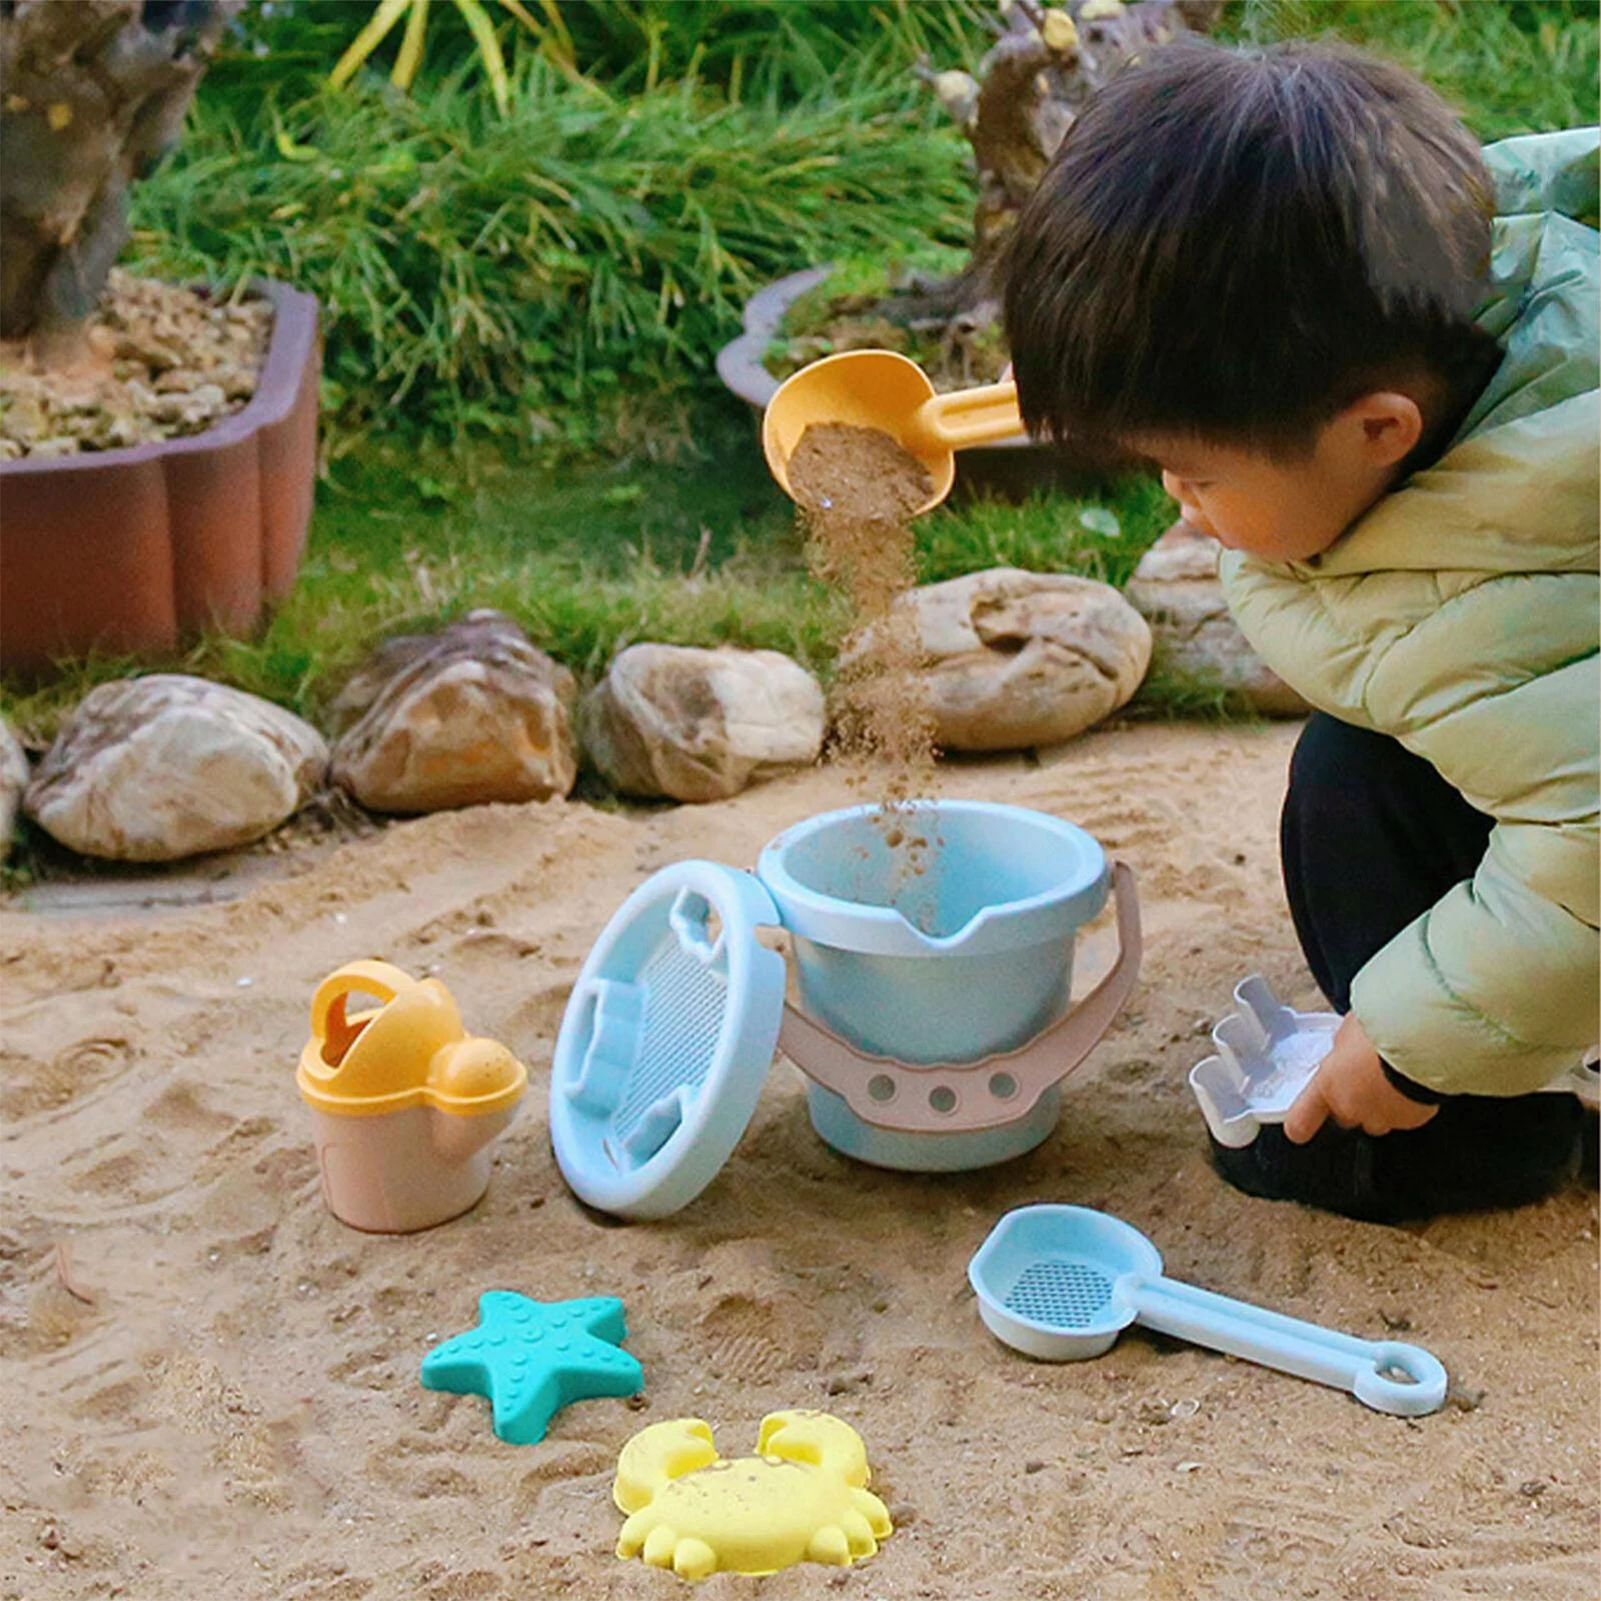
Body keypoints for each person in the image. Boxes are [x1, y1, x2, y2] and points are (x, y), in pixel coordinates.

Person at [1001, 39, 1599, 1221]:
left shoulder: (1525, 566)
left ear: (1376, 429)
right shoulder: (1452, 300)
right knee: (1359, 769)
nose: (1176, 500)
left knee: (1356, 786)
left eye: (1197, 474)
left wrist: (1411, 1038)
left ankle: (1467, 1141)